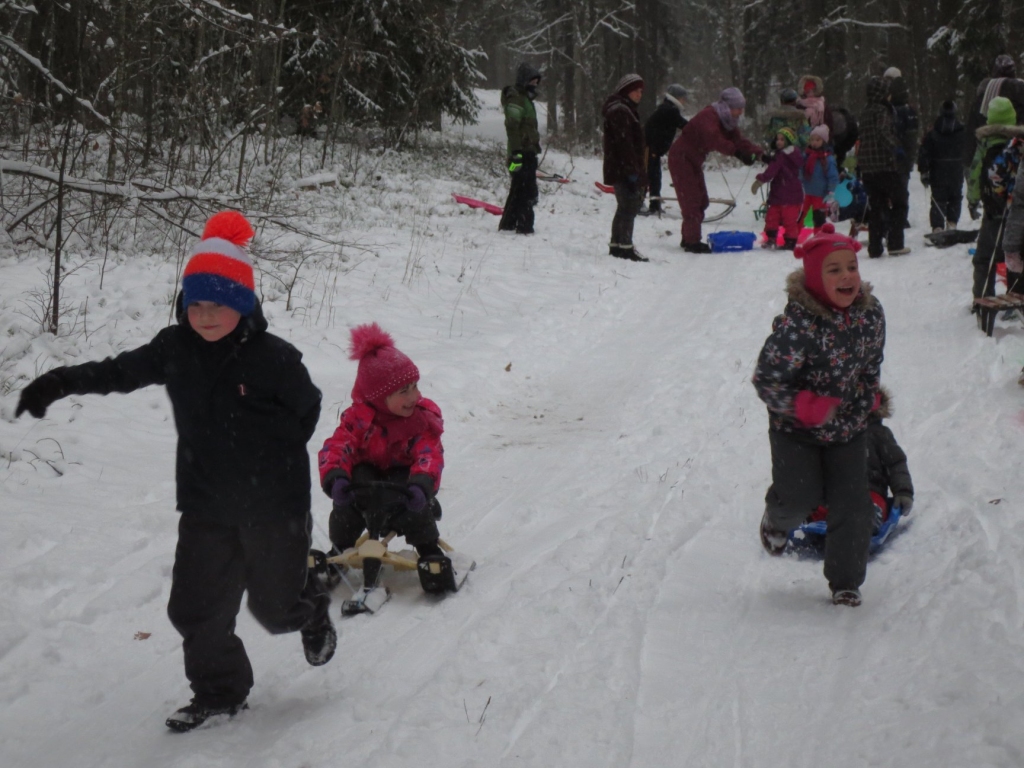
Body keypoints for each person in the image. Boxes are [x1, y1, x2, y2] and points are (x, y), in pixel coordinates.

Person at [14, 212, 335, 732]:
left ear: (243, 304)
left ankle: (312, 606)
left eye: (218, 305)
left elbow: (308, 408)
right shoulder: (174, 347)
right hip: (207, 501)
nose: (205, 316)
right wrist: (58, 382)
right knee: (195, 608)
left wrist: (270, 458)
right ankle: (219, 693)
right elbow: (118, 371)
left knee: (276, 611)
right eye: (195, 304)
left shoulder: (274, 358)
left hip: (274, 505)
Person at [752, 224, 886, 607]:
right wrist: (803, 406)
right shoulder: (798, 327)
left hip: (847, 427)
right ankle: (777, 520)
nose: (847, 276)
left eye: (852, 267)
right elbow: (767, 379)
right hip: (795, 430)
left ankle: (846, 582)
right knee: (799, 497)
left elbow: (871, 364)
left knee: (853, 505)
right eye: (834, 269)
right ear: (814, 277)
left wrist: (867, 398)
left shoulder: (870, 315)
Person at [317, 323, 454, 591]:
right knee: (348, 501)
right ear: (378, 397)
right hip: (367, 480)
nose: (414, 396)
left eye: (414, 387)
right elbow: (337, 446)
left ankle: (428, 549)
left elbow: (429, 455)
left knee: (414, 509)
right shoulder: (359, 420)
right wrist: (336, 478)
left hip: (404, 482)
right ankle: (340, 548)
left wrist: (422, 485)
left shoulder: (420, 421)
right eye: (403, 391)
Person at [806, 387, 914, 534]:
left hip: (869, 489)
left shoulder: (878, 433)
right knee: (819, 506)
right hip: (834, 492)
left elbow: (895, 463)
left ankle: (870, 518)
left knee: (871, 503)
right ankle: (810, 522)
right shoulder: (830, 433)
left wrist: (903, 491)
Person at [668, 87, 763, 253]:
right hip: (681, 159)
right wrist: (737, 153)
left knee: (702, 200)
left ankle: (687, 237)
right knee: (692, 201)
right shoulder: (709, 116)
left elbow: (738, 140)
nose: (741, 112)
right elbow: (715, 139)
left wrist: (759, 154)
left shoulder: (727, 120)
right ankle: (692, 242)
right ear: (728, 107)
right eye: (738, 108)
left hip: (693, 160)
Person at [966, 96, 1024, 300]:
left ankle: (982, 298)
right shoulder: (1019, 143)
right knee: (1015, 256)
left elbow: (975, 174)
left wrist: (973, 200)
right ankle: (1016, 298)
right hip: (1017, 210)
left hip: (993, 211)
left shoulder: (985, 144)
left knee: (984, 258)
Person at [857, 75, 910, 257]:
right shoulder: (882, 110)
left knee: (877, 206)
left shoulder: (865, 111)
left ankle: (875, 246)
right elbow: (883, 132)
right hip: (885, 165)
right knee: (900, 202)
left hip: (868, 166)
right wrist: (896, 148)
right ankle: (895, 243)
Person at [602, 73, 649, 262]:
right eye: (635, 90)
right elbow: (625, 145)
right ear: (626, 90)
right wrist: (631, 172)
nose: (639, 94)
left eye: (641, 91)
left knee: (624, 207)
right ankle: (625, 247)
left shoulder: (625, 109)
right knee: (629, 207)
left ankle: (617, 245)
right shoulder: (620, 111)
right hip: (622, 168)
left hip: (621, 166)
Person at [499, 63, 542, 234]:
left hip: (528, 152)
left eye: (537, 82)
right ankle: (524, 225)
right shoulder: (517, 99)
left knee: (519, 188)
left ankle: (509, 223)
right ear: (524, 81)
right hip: (520, 153)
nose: (535, 85)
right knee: (526, 190)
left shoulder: (526, 100)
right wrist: (516, 153)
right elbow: (512, 126)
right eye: (533, 81)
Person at [963, 54, 1024, 174]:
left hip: (987, 160)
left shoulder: (983, 97)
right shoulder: (1021, 93)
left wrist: (968, 161)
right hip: (1017, 160)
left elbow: (972, 131)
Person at [751, 127, 804, 250]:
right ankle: (780, 239)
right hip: (789, 194)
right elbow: (778, 165)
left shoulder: (781, 156)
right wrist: (767, 158)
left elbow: (772, 170)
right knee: (777, 217)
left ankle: (786, 241)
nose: (778, 142)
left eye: (782, 140)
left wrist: (760, 180)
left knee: (779, 218)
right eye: (777, 139)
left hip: (783, 193)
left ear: (788, 142)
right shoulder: (794, 154)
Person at [917, 100, 966, 232]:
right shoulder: (961, 132)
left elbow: (924, 153)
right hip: (956, 169)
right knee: (955, 197)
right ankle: (952, 223)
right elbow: (968, 151)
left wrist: (924, 171)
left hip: (938, 170)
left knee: (938, 199)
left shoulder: (933, 132)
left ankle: (937, 226)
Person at [643, 84, 689, 214]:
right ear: (676, 97)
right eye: (682, 98)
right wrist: (699, 129)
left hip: (654, 149)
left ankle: (654, 204)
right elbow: (684, 125)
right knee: (648, 176)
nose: (684, 101)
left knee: (654, 176)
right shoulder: (669, 110)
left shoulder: (668, 108)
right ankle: (640, 203)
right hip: (649, 147)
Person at [799, 124, 839, 230]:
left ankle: (819, 237)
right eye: (812, 140)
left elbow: (833, 177)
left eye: (818, 140)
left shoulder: (827, 159)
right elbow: (800, 169)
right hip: (806, 192)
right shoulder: (806, 156)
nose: (814, 142)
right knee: (799, 216)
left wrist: (831, 192)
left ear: (824, 141)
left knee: (819, 219)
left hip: (821, 195)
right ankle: (793, 236)